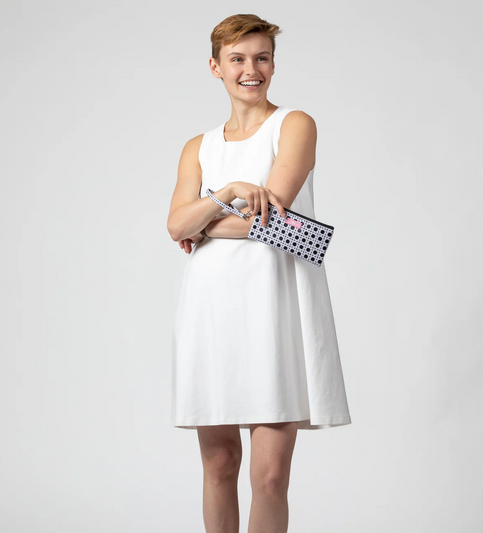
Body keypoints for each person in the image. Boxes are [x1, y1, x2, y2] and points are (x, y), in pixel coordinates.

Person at [167, 14, 352, 533]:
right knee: (220, 463)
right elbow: (174, 224)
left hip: (274, 305)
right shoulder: (198, 146)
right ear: (215, 67)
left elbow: (273, 217)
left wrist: (201, 222)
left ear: (273, 63)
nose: (251, 69)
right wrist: (227, 193)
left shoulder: (294, 124)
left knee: (269, 476)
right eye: (238, 59)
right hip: (210, 308)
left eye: (262, 57)